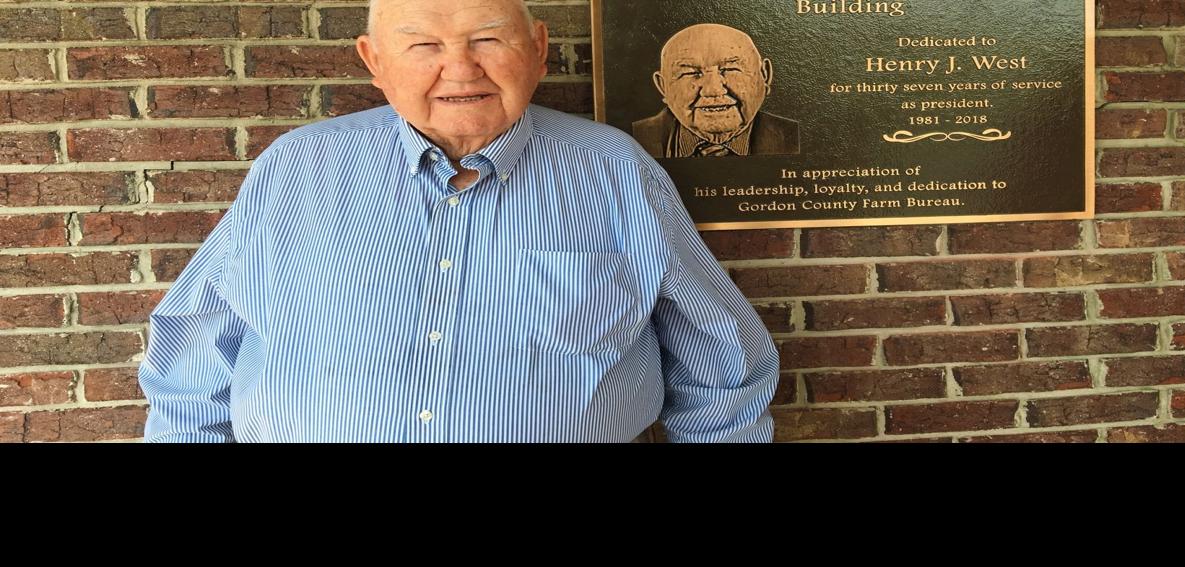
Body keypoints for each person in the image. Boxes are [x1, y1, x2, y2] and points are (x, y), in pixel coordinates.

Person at [138, 0, 778, 442]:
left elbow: (722, 360)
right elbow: (192, 353)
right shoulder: (297, 168)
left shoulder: (615, 169)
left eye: (487, 38)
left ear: (537, 48)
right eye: (423, 45)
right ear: (373, 59)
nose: (461, 67)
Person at [632, 23, 800, 157]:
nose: (712, 90)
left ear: (765, 75)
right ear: (663, 86)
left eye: (731, 69)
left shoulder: (795, 138)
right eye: (690, 72)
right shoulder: (630, 142)